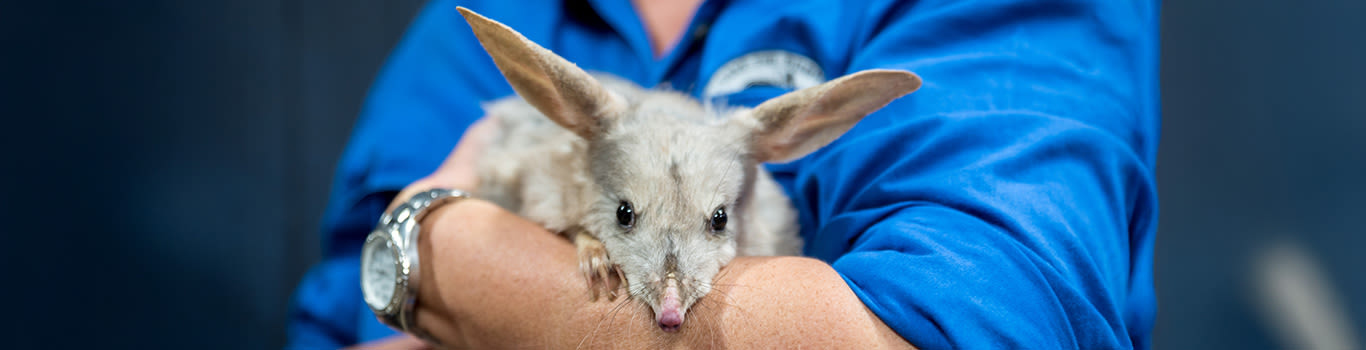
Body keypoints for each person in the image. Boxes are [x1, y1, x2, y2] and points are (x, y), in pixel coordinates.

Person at [286, 0, 1160, 348]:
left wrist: (443, 246)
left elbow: (979, 331)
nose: (671, 307)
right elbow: (336, 317)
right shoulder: (486, 20)